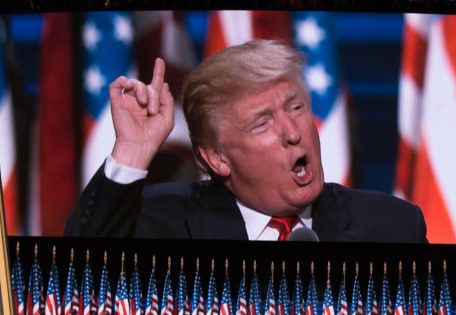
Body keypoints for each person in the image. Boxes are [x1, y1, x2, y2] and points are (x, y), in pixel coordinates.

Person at [64, 40, 427, 243]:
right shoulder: (167, 223)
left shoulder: (392, 227)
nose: (293, 131)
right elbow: (80, 271)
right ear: (217, 158)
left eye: (296, 106)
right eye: (262, 123)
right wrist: (133, 149)